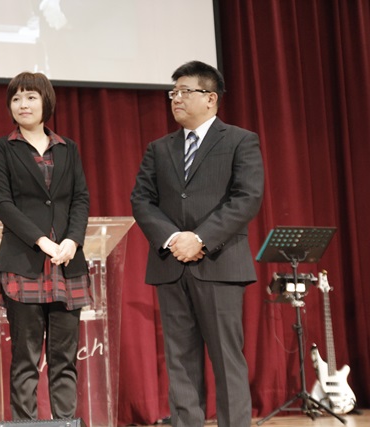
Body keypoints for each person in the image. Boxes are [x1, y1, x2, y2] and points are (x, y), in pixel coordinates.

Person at [130, 61, 264, 427]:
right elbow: (141, 200)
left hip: (220, 265)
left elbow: (247, 198)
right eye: (172, 93)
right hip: (171, 264)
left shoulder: (239, 140)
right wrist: (174, 239)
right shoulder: (159, 148)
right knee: (180, 362)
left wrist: (201, 238)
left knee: (227, 359)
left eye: (184, 92)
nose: (176, 99)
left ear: (210, 98)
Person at [0, 71, 91, 420]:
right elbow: (2, 203)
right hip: (24, 262)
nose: (23, 104)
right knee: (25, 360)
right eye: (16, 98)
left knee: (64, 360)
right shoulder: (2, 148)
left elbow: (80, 198)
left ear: (46, 102)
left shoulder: (68, 148)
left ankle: (66, 424)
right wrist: (42, 240)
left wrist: (73, 240)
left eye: (30, 97)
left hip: (67, 263)